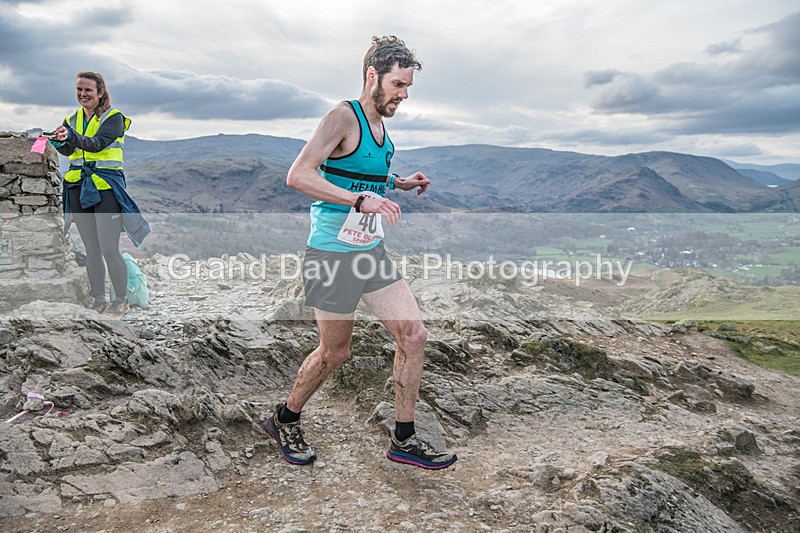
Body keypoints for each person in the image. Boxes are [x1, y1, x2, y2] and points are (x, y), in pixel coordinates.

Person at [266, 36, 457, 470]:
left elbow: (362, 174)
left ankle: (404, 439)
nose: (403, 95)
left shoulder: (381, 127)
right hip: (332, 254)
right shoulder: (341, 116)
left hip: (369, 248)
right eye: (397, 84)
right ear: (372, 75)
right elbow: (298, 175)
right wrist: (357, 202)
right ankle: (284, 417)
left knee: (413, 336)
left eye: (407, 87)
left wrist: (398, 183)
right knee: (334, 353)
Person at [49, 71, 150, 316]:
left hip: (105, 188)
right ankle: (98, 299)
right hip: (78, 187)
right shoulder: (71, 119)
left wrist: (70, 136)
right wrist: (61, 141)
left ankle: (121, 300)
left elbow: (96, 144)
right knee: (91, 248)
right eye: (79, 90)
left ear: (101, 92)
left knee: (108, 248)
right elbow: (71, 150)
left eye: (88, 90)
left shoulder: (114, 118)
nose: (83, 94)